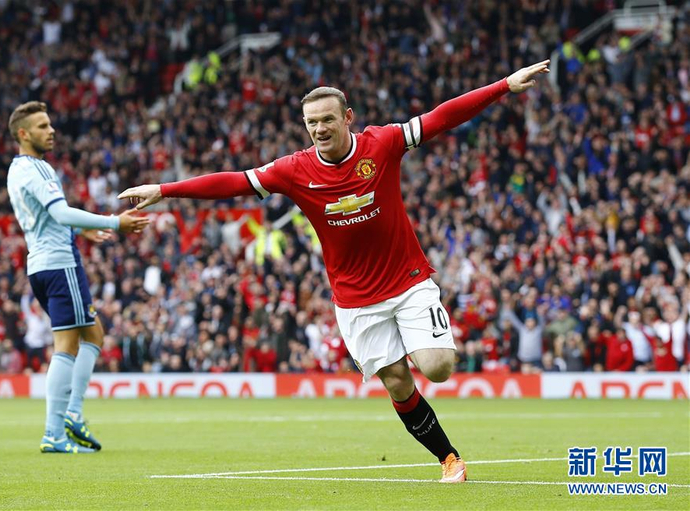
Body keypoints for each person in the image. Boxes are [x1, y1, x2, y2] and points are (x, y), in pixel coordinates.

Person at [119, 60, 550, 482]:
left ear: (347, 117)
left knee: (437, 367)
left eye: (327, 119)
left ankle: (421, 341)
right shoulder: (294, 170)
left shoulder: (382, 143)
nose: (320, 129)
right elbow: (234, 182)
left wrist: (503, 85)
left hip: (407, 281)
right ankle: (449, 458)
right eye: (312, 123)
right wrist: (165, 189)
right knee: (397, 382)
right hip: (355, 300)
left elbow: (441, 117)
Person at [6, 101, 149, 453]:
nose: (51, 130)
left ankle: (70, 416)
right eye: (42, 126)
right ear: (23, 133)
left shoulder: (17, 170)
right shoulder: (37, 169)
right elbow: (59, 212)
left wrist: (80, 231)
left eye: (50, 124)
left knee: (93, 333)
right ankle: (57, 430)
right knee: (67, 345)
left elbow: (45, 219)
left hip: (42, 264)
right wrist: (115, 222)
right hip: (60, 265)